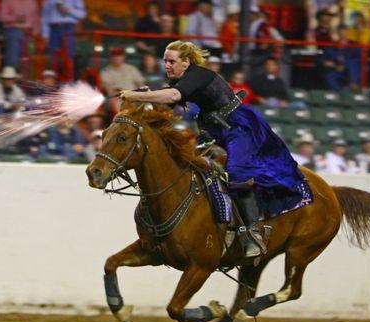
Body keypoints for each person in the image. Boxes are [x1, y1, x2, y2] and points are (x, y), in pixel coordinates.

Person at [119, 40, 306, 258]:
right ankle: (219, 227)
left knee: (237, 174)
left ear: (186, 62)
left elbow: (172, 97)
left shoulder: (198, 75)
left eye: (172, 61)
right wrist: (145, 96)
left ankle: (251, 233)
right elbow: (166, 103)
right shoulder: (181, 81)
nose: (167, 66)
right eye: (165, 61)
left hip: (239, 127)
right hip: (214, 131)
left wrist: (136, 96)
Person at [0, 0, 40, 70]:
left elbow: (36, 18)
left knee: (30, 60)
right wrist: (15, 18)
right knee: (12, 60)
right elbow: (1, 16)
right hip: (14, 31)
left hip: (29, 33)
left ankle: (27, 79)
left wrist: (35, 32)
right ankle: (11, 78)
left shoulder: (32, 1)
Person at [41, 0, 86, 65]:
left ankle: (68, 74)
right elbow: (45, 16)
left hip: (68, 29)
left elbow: (82, 14)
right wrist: (45, 34)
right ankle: (55, 74)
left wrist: (69, 10)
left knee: (68, 57)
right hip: (53, 30)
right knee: (53, 58)